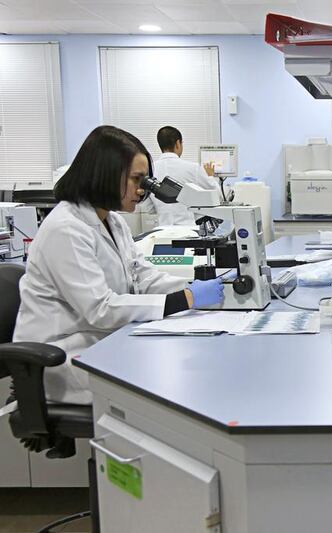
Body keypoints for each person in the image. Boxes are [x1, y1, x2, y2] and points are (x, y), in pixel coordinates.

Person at [13, 125, 229, 405]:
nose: (142, 190)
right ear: (105, 175)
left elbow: (141, 276)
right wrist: (184, 299)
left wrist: (195, 287)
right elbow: (100, 309)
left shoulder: (112, 220)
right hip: (62, 358)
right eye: (137, 179)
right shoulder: (66, 228)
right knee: (175, 382)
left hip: (102, 341)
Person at [138, 125, 221, 226]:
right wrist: (210, 175)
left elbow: (149, 208)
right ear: (178, 143)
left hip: (163, 232)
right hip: (188, 231)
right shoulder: (194, 168)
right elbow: (217, 197)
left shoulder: (149, 170)